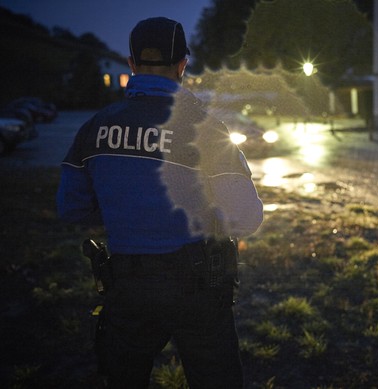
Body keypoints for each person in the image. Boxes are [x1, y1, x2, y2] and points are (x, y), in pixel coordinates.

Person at [57, 17, 263, 388]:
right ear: (182, 64)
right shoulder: (206, 127)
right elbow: (247, 217)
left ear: (132, 63)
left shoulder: (94, 128)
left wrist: (127, 210)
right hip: (199, 285)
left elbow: (71, 207)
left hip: (126, 286)